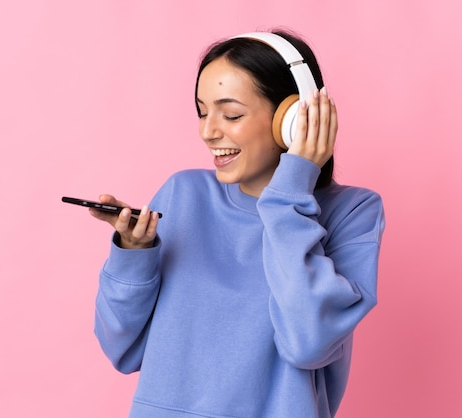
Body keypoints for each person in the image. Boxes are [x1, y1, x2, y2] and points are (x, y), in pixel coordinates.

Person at [89, 28, 385, 418]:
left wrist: (290, 194)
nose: (208, 131)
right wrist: (134, 255)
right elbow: (122, 348)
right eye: (202, 111)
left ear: (294, 118)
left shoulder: (353, 212)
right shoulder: (183, 194)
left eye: (231, 114)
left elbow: (308, 343)